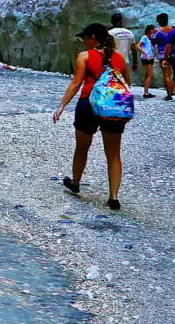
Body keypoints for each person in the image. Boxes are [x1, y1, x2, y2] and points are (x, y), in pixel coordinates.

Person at [52, 23, 130, 210]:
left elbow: (76, 83)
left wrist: (61, 106)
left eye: (85, 38)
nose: (84, 41)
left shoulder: (85, 56)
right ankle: (113, 197)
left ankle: (76, 182)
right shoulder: (119, 58)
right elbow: (126, 83)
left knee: (82, 148)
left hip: (88, 105)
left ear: (93, 37)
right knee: (113, 154)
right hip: (112, 107)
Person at [156, 13, 175, 101]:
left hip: (162, 54)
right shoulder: (173, 30)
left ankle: (169, 94)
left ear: (159, 21)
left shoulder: (158, 31)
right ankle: (174, 91)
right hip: (173, 53)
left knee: (166, 75)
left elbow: (153, 42)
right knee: (174, 74)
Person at [138, 25, 158, 98]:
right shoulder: (145, 37)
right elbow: (138, 46)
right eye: (153, 30)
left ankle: (146, 91)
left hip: (150, 58)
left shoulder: (150, 38)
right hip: (146, 58)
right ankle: (146, 93)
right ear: (150, 30)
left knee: (147, 75)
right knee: (150, 75)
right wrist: (146, 54)